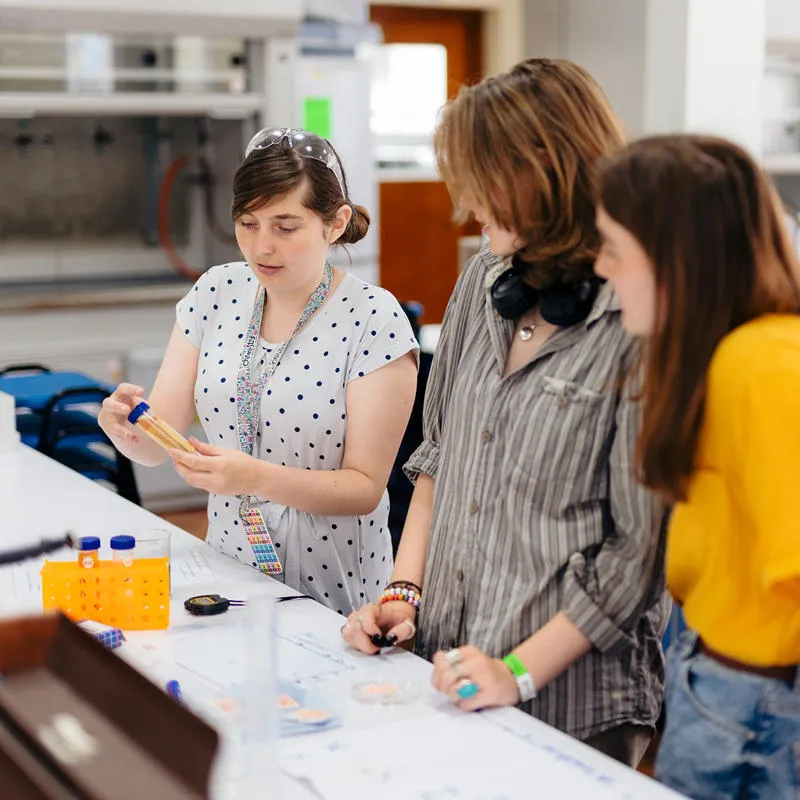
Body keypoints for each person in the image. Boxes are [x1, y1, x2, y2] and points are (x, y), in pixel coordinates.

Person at [341, 58, 669, 767]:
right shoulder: (483, 279)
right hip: (448, 667)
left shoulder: (638, 315)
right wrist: (404, 591)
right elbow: (436, 459)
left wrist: (515, 672)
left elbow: (638, 557)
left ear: (541, 173)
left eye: (481, 182)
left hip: (574, 704)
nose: (467, 206)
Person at [98, 128, 419, 616]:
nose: (261, 247)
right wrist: (124, 428)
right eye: (247, 224)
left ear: (336, 223)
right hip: (229, 579)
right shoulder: (215, 293)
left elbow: (363, 487)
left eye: (285, 227)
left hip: (336, 595)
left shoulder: (374, 319)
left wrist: (253, 477)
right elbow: (156, 444)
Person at [595, 134, 800, 798]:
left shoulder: (760, 363)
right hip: (722, 679)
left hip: (755, 701)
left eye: (615, 249)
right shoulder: (726, 357)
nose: (602, 269)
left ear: (673, 259)